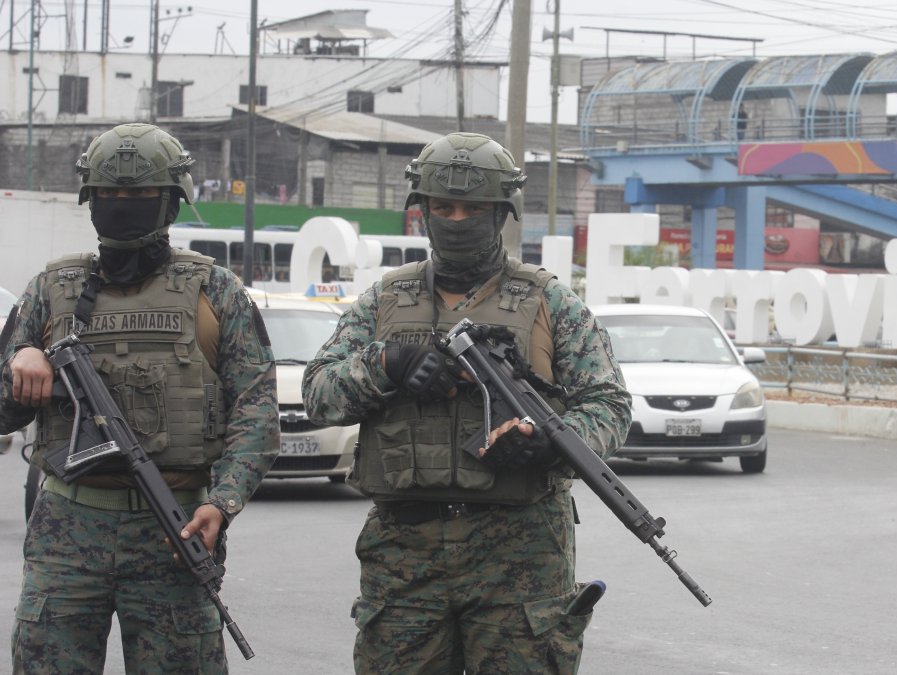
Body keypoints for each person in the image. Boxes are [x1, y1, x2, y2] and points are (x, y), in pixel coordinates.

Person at [302, 131, 632, 673]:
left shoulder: (550, 300)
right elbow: (319, 394)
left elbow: (609, 403)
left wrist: (553, 443)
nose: (457, 219)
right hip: (405, 555)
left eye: (474, 207)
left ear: (502, 212)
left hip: (520, 555)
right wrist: (388, 364)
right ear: (423, 211)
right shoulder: (385, 300)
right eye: (444, 206)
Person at [0, 123, 279, 673]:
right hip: (67, 529)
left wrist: (219, 503)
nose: (122, 205)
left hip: (172, 527)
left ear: (171, 202)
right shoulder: (51, 288)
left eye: (139, 195)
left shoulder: (214, 290)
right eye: (109, 194)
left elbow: (256, 414)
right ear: (91, 200)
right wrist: (20, 362)